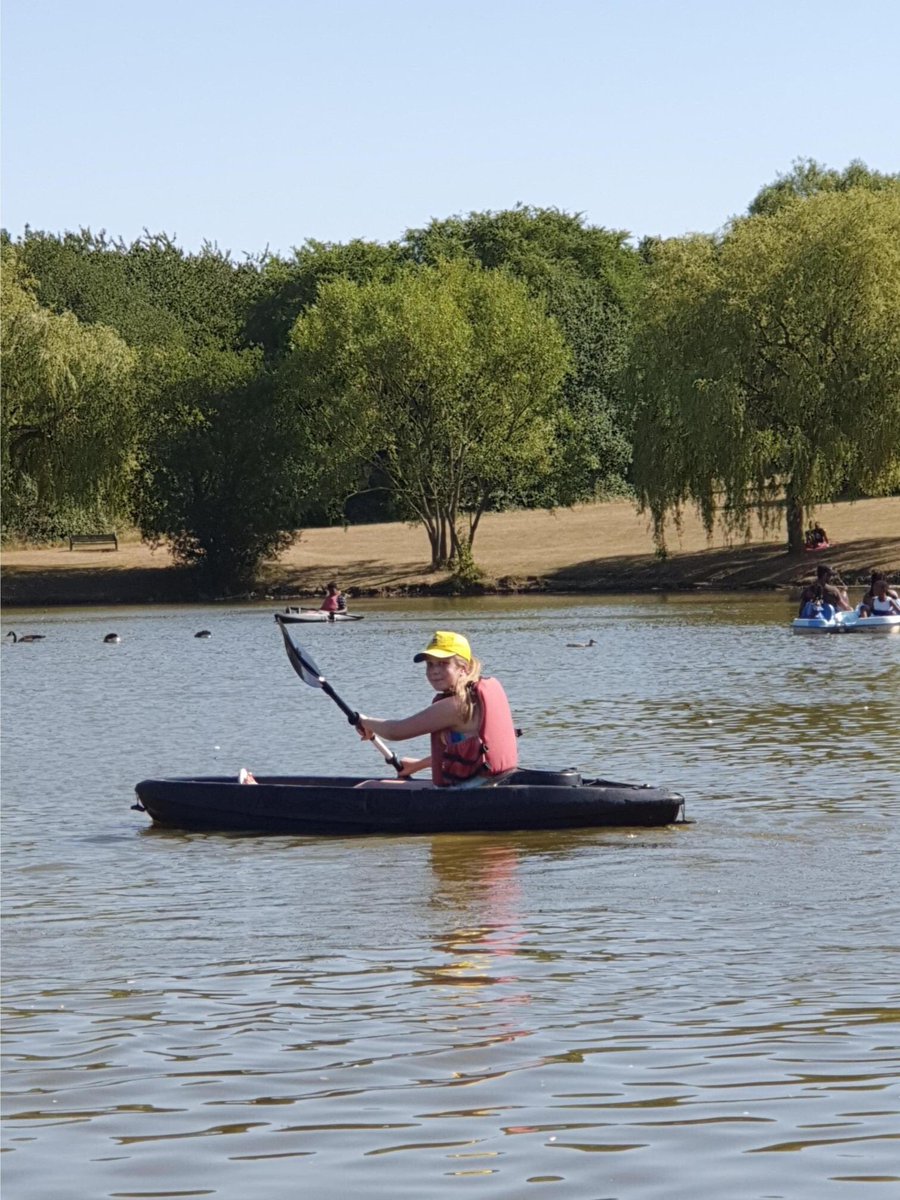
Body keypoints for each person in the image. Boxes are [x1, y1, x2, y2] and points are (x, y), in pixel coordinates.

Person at [355, 630, 519, 788]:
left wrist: (364, 721)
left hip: (469, 790)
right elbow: (470, 752)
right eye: (430, 664)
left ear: (464, 668)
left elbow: (396, 731)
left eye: (443, 663)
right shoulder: (474, 698)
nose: (434, 671)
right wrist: (419, 765)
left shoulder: (456, 706)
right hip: (490, 782)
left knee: (367, 787)